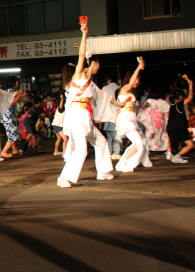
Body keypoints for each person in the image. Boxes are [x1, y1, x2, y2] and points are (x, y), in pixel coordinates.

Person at [57, 17, 124, 188]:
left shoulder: (92, 84)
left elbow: (103, 96)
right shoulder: (79, 75)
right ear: (94, 63)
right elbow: (81, 55)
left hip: (85, 116)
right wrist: (84, 34)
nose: (98, 68)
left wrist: (118, 105)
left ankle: (103, 171)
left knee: (100, 142)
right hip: (78, 116)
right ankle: (65, 178)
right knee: (81, 149)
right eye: (98, 64)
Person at [114, 59, 152, 173]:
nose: (137, 83)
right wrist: (139, 68)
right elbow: (131, 83)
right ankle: (125, 164)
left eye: (139, 81)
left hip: (131, 119)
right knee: (139, 143)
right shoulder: (124, 88)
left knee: (143, 141)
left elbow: (134, 105)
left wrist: (141, 107)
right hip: (125, 120)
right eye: (137, 80)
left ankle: (138, 161)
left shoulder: (131, 94)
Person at [166, 75, 194, 164]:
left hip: (171, 127)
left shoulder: (172, 106)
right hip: (179, 127)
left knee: (171, 140)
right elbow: (190, 97)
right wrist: (191, 85)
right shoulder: (179, 105)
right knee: (190, 145)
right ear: (181, 97)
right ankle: (177, 156)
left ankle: (169, 153)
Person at [0, 75, 25, 158]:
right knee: (13, 135)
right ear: (15, 82)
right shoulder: (10, 92)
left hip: (7, 116)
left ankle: (15, 150)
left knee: (12, 133)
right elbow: (12, 103)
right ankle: (3, 152)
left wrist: (20, 95)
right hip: (8, 117)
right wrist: (19, 95)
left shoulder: (10, 91)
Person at [101, 76, 121, 160]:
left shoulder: (104, 88)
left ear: (109, 80)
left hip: (106, 115)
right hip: (116, 116)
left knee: (109, 137)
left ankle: (109, 152)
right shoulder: (120, 88)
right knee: (117, 136)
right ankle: (116, 152)